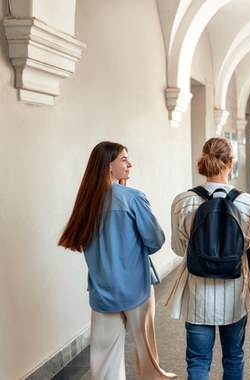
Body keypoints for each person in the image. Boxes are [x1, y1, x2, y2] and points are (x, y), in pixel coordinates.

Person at [58, 141, 176, 380]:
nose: (129, 164)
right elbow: (155, 240)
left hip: (102, 291)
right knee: (147, 357)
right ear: (108, 166)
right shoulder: (132, 197)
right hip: (136, 289)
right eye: (124, 159)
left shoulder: (85, 203)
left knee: (104, 363)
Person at [166, 137, 250, 380]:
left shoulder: (182, 201)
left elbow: (177, 247)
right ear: (231, 162)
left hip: (197, 296)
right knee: (234, 357)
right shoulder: (248, 203)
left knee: (197, 362)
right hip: (235, 295)